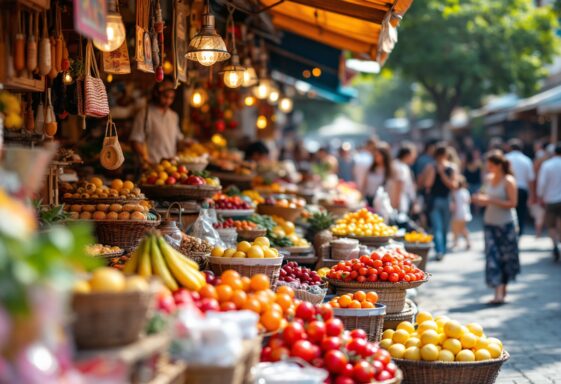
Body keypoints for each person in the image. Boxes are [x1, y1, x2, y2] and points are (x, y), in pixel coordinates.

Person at [472, 150, 519, 305]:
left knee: (506, 258)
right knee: (493, 257)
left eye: (491, 165)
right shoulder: (488, 179)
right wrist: (478, 199)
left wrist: (492, 200)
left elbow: (512, 203)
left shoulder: (509, 181)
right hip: (490, 223)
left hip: (506, 224)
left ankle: (502, 289)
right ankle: (498, 292)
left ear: (499, 165)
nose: (489, 167)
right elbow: (483, 196)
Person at [130, 80, 184, 166]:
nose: (168, 101)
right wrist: (146, 159)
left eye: (171, 98)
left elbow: (179, 138)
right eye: (165, 97)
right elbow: (136, 141)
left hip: (171, 167)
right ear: (157, 94)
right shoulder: (145, 114)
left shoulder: (174, 116)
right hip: (152, 166)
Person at [423, 144, 458, 260]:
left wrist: (442, 173)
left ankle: (442, 248)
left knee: (444, 227)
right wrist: (434, 171)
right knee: (437, 227)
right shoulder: (431, 167)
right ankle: (440, 250)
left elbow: (453, 185)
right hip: (434, 200)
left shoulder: (452, 168)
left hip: (447, 199)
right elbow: (427, 184)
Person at [536, 142, 561, 261]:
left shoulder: (547, 165)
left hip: (550, 199)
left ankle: (555, 245)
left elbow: (542, 183)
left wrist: (540, 196)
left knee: (551, 225)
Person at [505, 138, 535, 236]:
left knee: (507, 213)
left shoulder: (505, 158)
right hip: (522, 190)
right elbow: (531, 179)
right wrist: (532, 195)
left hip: (507, 189)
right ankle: (519, 234)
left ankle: (509, 233)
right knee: (521, 214)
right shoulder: (527, 160)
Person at [389, 143, 417, 214]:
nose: (414, 157)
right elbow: (399, 185)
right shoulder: (401, 167)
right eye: (413, 154)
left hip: (396, 200)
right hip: (400, 202)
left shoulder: (396, 164)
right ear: (407, 155)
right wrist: (396, 203)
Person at [363, 142, 393, 206]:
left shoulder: (390, 170)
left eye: (378, 155)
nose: (376, 157)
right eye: (375, 155)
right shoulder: (370, 168)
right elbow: (365, 184)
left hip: (382, 202)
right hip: (369, 198)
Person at [451, 176, 472, 250]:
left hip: (458, 213)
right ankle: (462, 242)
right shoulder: (465, 191)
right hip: (465, 212)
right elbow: (468, 201)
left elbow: (454, 204)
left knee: (458, 228)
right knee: (460, 228)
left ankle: (459, 242)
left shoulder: (455, 193)